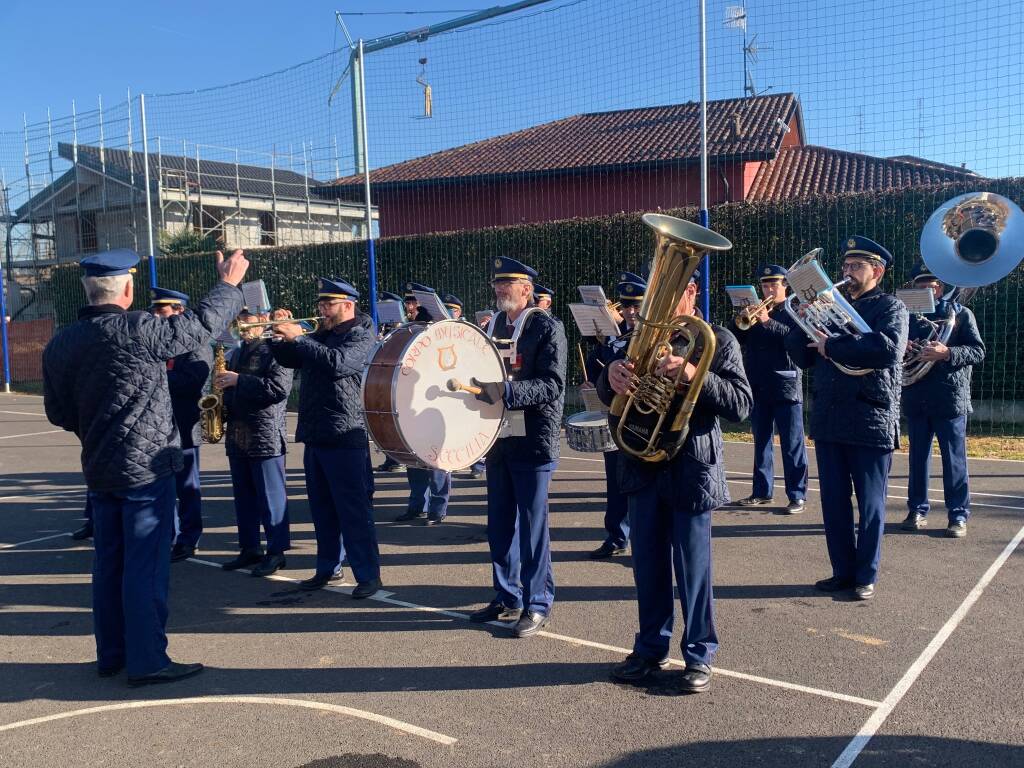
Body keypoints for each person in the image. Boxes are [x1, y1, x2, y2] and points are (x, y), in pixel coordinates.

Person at [42, 247, 248, 685]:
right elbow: (199, 326)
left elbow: (58, 414)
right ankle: (148, 658)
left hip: (99, 466)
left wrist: (98, 426)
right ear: (129, 288)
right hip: (146, 469)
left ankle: (111, 654)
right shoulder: (138, 328)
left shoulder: (61, 341)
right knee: (144, 567)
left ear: (87, 289)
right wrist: (228, 284)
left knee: (108, 564)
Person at [598, 268, 752, 694]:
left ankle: (699, 653)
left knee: (692, 570)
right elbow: (610, 389)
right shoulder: (640, 338)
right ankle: (650, 649)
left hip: (690, 468)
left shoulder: (717, 339)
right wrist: (610, 376)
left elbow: (741, 404)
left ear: (692, 291)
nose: (659, 303)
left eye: (671, 291)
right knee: (646, 566)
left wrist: (691, 376)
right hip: (642, 464)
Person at [784, 236, 908, 601]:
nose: (847, 273)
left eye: (856, 267)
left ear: (877, 271)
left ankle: (865, 575)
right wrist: (800, 325)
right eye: (845, 267)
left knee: (870, 506)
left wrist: (832, 345)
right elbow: (804, 358)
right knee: (834, 502)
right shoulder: (829, 306)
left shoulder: (891, 307)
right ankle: (842, 571)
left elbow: (886, 350)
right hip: (829, 416)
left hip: (871, 417)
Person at [468, 256, 567, 638]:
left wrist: (504, 391)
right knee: (499, 524)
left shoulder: (546, 327)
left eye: (506, 285)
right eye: (497, 285)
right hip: (498, 439)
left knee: (532, 526)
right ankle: (507, 595)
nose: (498, 290)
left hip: (533, 440)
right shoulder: (490, 325)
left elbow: (552, 385)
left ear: (526, 289)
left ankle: (537, 601)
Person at [270, 277, 382, 598]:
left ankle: (368, 575)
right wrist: (278, 336)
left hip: (345, 433)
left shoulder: (361, 334)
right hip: (317, 433)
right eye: (321, 304)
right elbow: (292, 359)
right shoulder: (321, 335)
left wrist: (300, 339)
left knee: (353, 510)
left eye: (328, 305)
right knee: (322, 509)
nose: (322, 310)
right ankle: (327, 568)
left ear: (348, 305)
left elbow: (338, 364)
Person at [901, 262, 985, 538]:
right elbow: (895, 350)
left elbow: (977, 351)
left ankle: (958, 515)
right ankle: (917, 509)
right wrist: (906, 348)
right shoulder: (906, 316)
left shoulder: (960, 314)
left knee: (954, 460)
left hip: (950, 398)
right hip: (916, 395)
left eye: (933, 285)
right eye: (922, 286)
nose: (928, 289)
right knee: (917, 459)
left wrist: (946, 352)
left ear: (941, 287)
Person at [218, 308, 295, 576]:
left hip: (265, 434)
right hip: (239, 434)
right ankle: (249, 548)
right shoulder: (238, 352)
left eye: (247, 321)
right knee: (244, 498)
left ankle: (276, 552)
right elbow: (230, 389)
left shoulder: (276, 351)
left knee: (270, 498)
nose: (241, 326)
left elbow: (277, 389)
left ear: (263, 323)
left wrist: (238, 380)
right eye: (238, 321)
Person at [728, 265, 809, 513]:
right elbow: (736, 340)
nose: (769, 290)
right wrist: (739, 321)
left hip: (785, 384)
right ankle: (762, 491)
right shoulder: (755, 311)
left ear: (785, 286)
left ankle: (797, 495)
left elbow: (794, 340)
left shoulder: (794, 311)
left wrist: (767, 322)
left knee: (792, 442)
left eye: (774, 285)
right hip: (758, 383)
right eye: (765, 286)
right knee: (760, 440)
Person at [584, 271, 645, 559]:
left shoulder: (652, 336)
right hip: (617, 418)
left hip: (645, 421)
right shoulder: (613, 340)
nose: (630, 312)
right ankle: (616, 536)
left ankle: (646, 538)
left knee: (644, 484)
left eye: (636, 306)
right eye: (626, 307)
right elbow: (596, 371)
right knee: (616, 479)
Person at [149, 287, 212, 562]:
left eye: (161, 310)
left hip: (185, 425)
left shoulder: (196, 344)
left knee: (187, 487)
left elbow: (192, 380)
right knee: (162, 486)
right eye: (154, 309)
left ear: (179, 312)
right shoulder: (156, 341)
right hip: (159, 426)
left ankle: (189, 538)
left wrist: (157, 376)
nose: (155, 315)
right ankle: (168, 535)